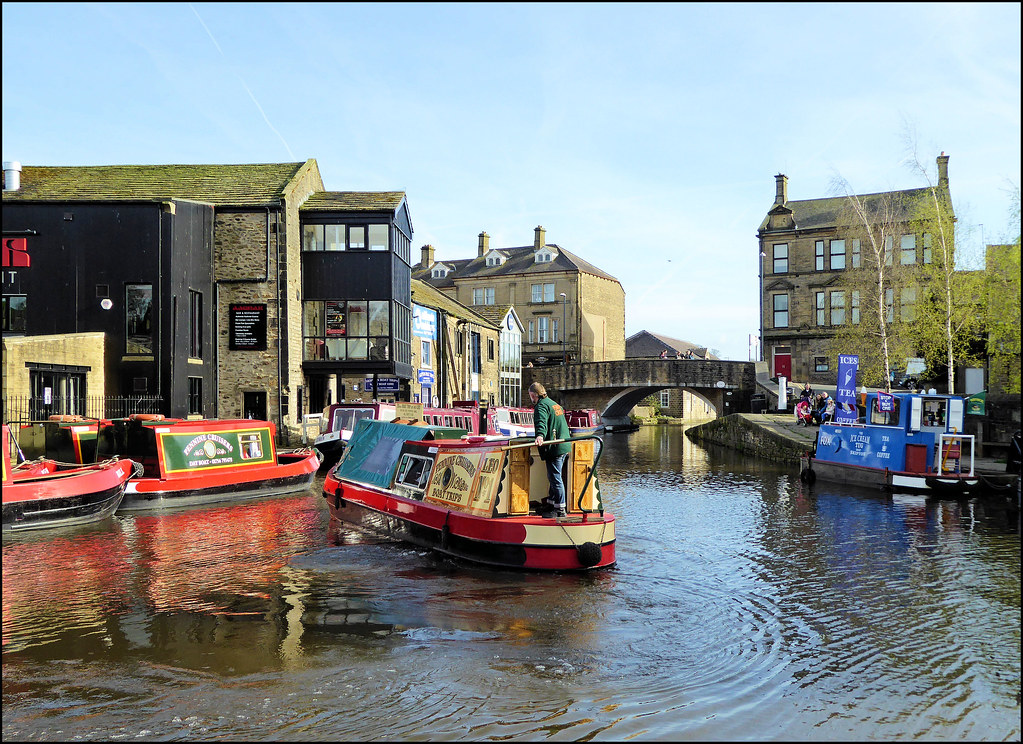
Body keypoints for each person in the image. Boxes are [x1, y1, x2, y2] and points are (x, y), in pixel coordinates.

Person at [528, 381, 572, 518]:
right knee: (553, 476)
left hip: (555, 447)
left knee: (555, 478)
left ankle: (560, 509)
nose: (531, 398)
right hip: (564, 445)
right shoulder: (554, 404)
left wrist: (540, 436)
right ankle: (551, 503)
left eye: (530, 396)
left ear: (534, 395)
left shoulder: (541, 407)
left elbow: (541, 423)